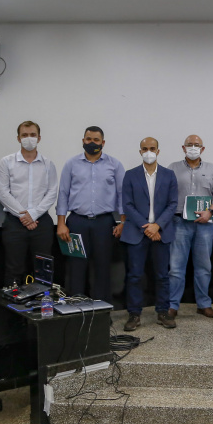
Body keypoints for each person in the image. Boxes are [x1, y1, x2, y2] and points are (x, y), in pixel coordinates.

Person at [56, 126, 125, 302]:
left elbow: (122, 195)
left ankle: (102, 308)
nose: (92, 143)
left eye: (96, 140)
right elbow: (63, 193)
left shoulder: (114, 165)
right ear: (83, 141)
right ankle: (75, 307)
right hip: (77, 222)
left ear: (103, 142)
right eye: (88, 139)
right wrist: (61, 223)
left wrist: (123, 222)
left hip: (104, 222)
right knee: (76, 267)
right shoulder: (71, 164)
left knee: (103, 267)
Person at [120, 137, 178, 331]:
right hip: (137, 232)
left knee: (162, 275)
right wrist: (147, 227)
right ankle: (134, 314)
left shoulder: (169, 175)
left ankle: (163, 312)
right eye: (144, 149)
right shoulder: (130, 175)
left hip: (161, 232)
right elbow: (127, 205)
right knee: (134, 276)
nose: (148, 152)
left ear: (158, 151)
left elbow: (172, 204)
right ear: (140, 152)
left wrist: (157, 226)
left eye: (152, 148)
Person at [167, 134, 213, 321]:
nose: (193, 147)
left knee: (203, 267)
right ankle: (172, 305)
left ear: (203, 148)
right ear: (183, 148)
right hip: (179, 223)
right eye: (190, 145)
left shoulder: (212, 169)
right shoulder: (172, 168)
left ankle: (204, 304)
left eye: (197, 145)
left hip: (204, 224)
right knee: (176, 267)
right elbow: (164, 194)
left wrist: (210, 211)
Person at [0, 121, 59, 286]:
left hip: (41, 223)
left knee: (43, 270)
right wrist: (24, 215)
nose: (28, 138)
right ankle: (13, 301)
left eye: (32, 135)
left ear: (39, 138)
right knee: (13, 269)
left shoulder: (48, 164)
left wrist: (33, 214)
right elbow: (2, 192)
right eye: (24, 135)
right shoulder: (6, 162)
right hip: (14, 223)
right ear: (18, 138)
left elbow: (52, 192)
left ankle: (42, 301)